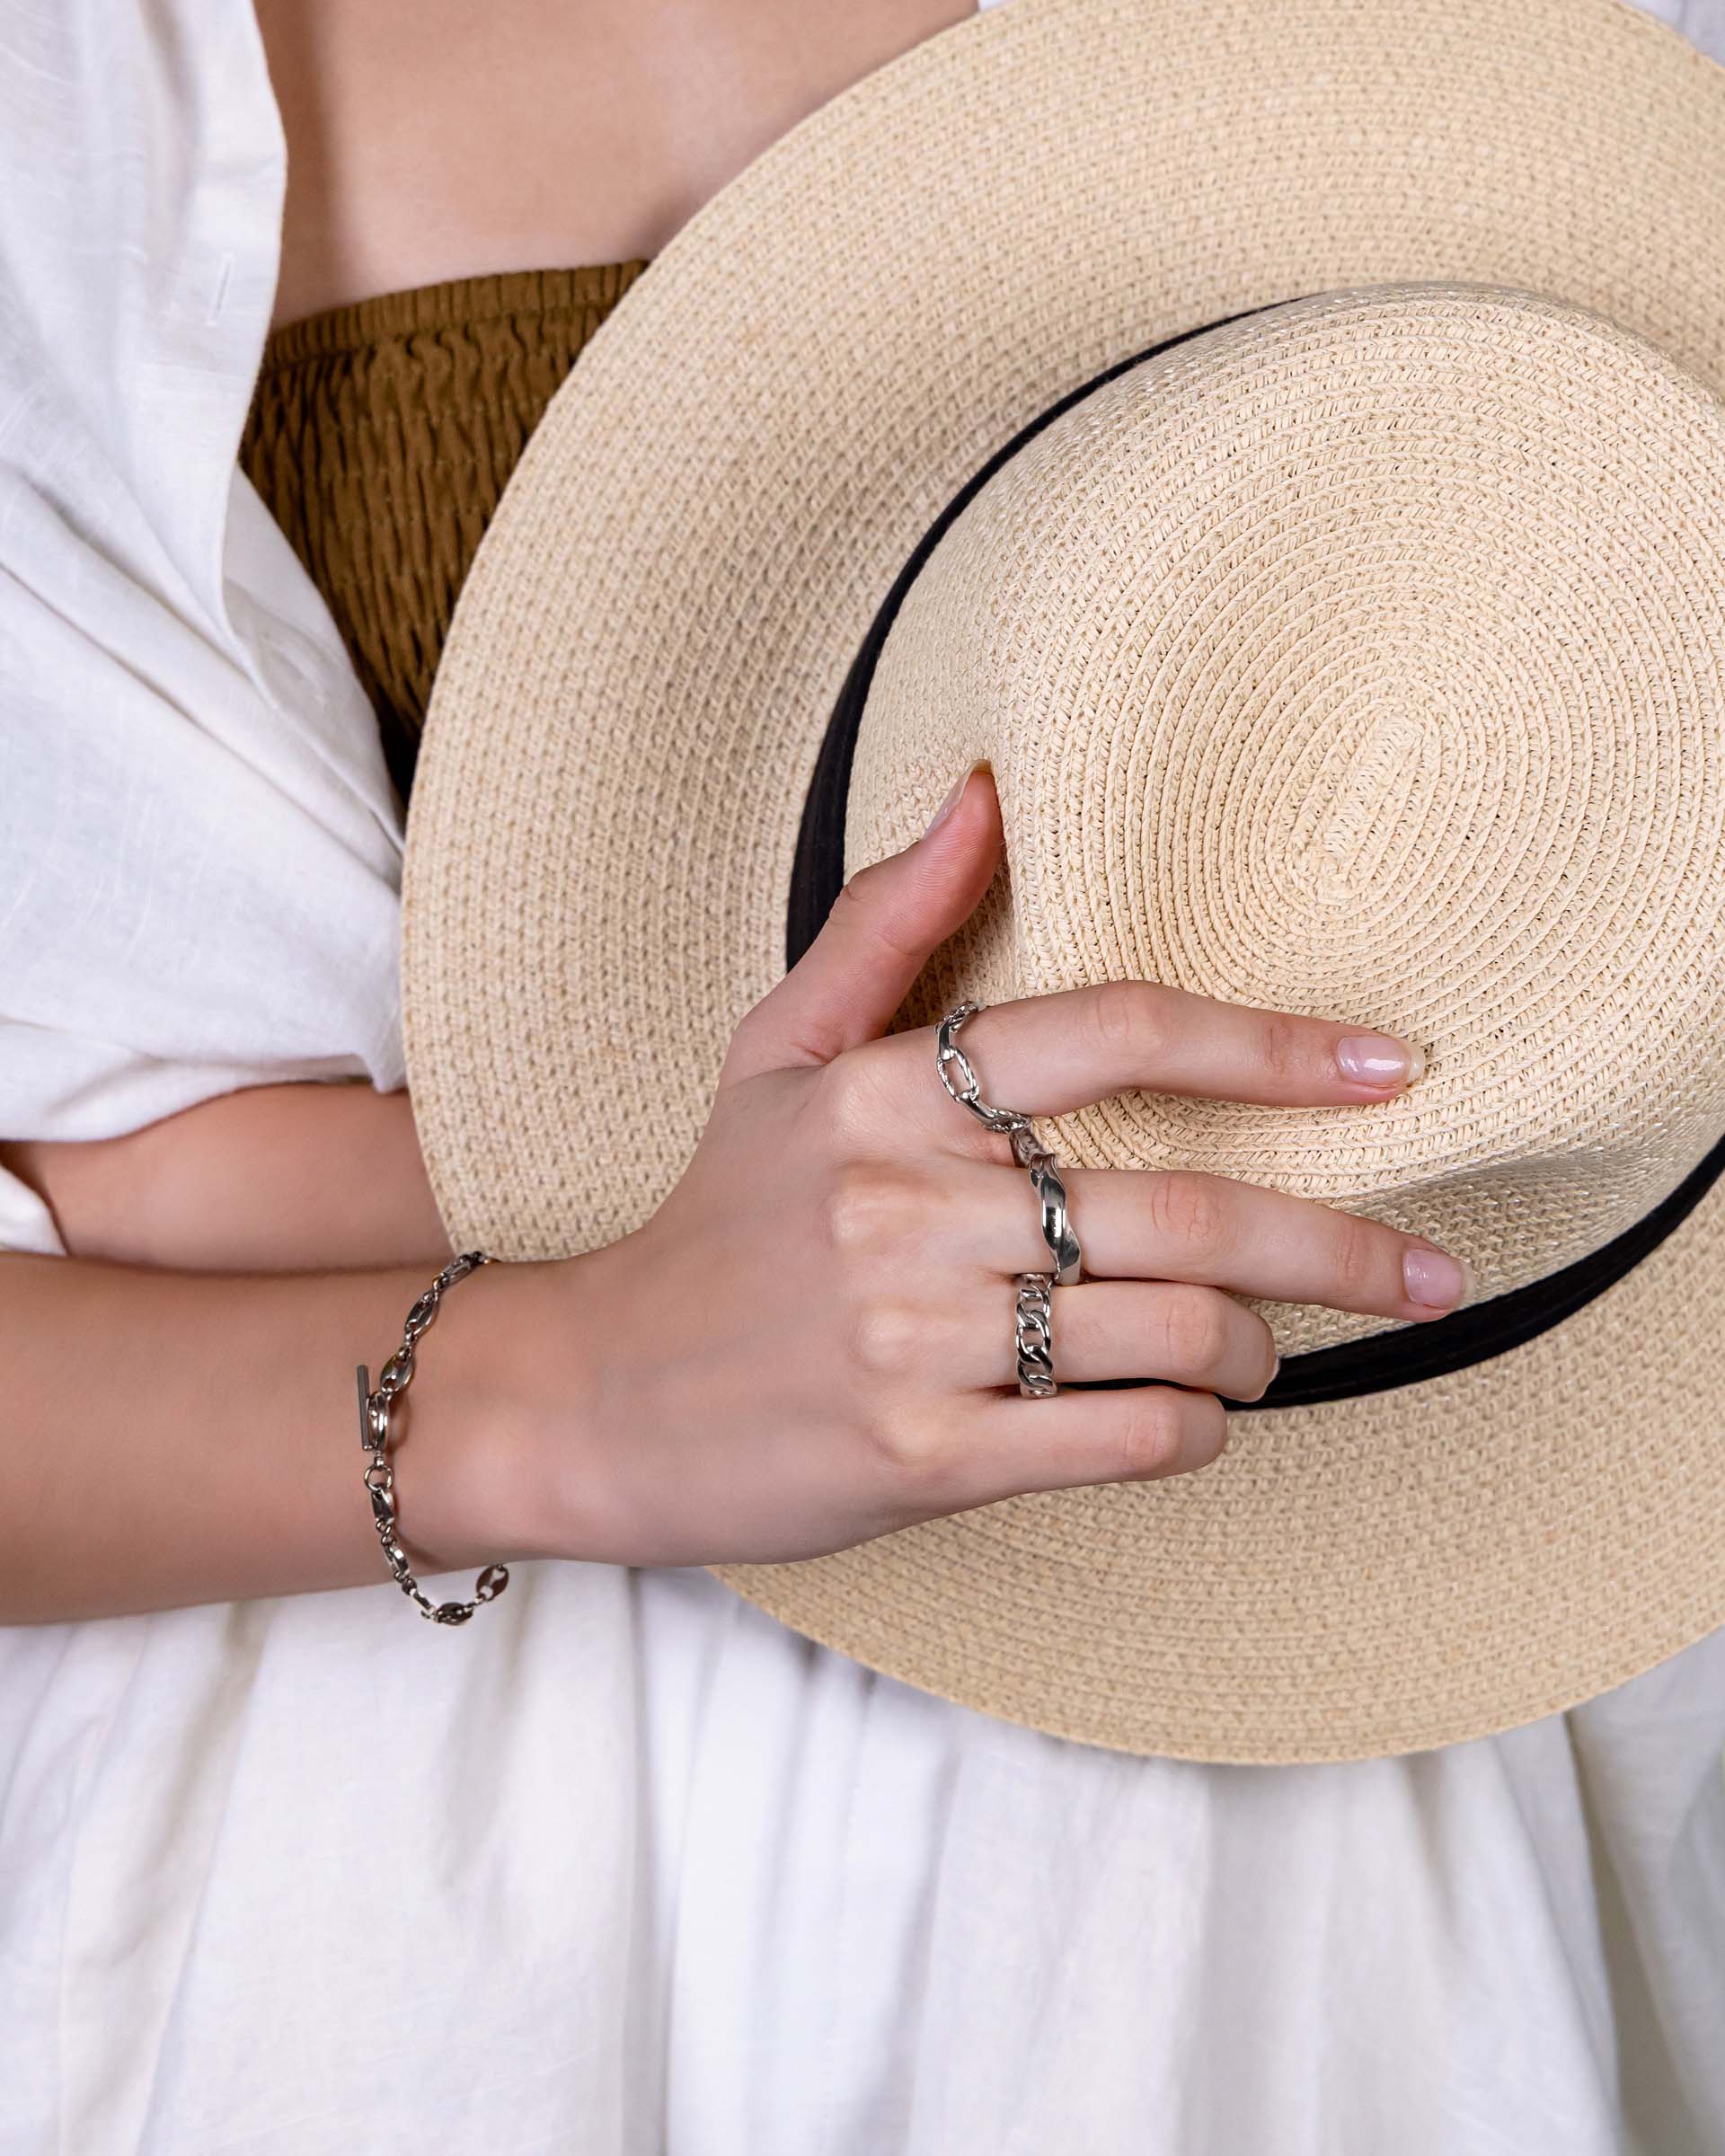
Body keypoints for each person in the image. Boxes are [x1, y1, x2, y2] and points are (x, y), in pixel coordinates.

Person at [2, 2, 1722, 2150]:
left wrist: (213, 1185)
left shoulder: (1541, 83)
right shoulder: (65, 109)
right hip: (373, 1908)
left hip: (1279, 1864)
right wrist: (570, 1385)